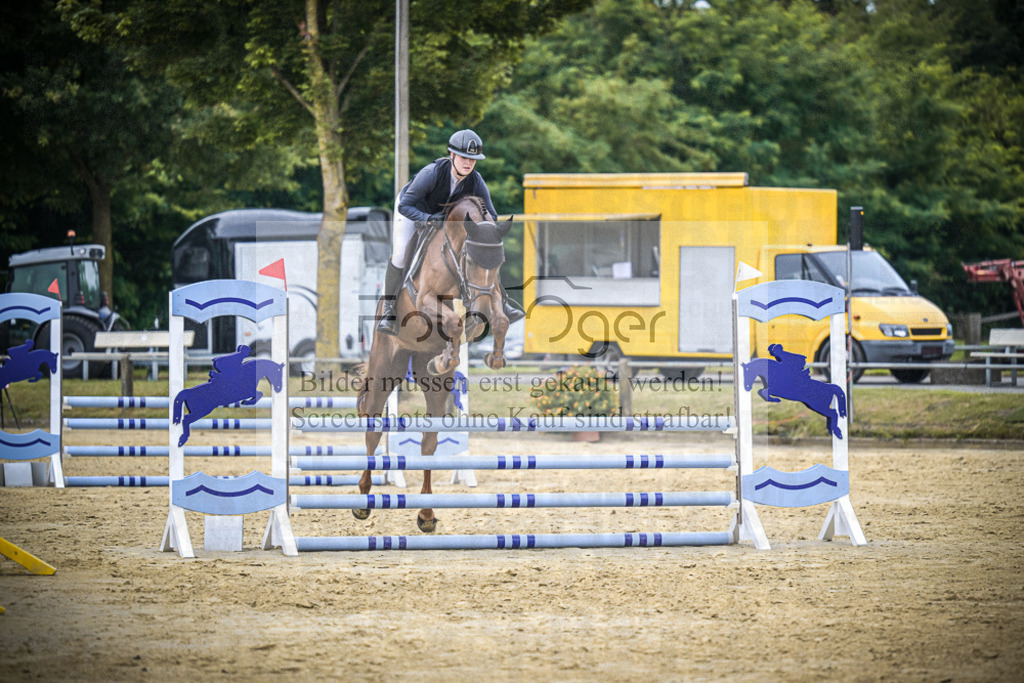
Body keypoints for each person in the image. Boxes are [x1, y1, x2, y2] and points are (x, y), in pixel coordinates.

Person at [377, 129, 524, 336]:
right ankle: (389, 310)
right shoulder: (432, 173)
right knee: (400, 255)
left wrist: (486, 231)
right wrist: (427, 219)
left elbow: (491, 213)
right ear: (452, 155)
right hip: (414, 211)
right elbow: (405, 206)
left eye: (473, 159)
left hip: (443, 222)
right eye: (464, 157)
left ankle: (504, 304)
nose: (469, 163)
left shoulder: (476, 179)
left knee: (483, 254)